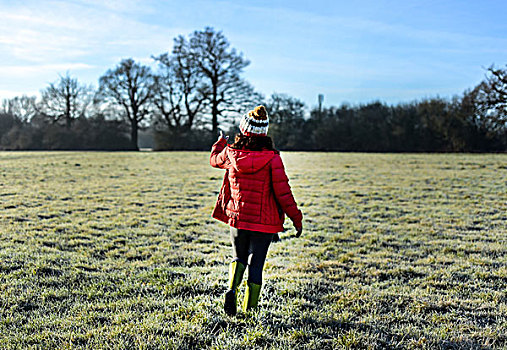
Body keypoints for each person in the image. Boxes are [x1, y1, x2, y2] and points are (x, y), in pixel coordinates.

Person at [209, 105, 303, 316]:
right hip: (264, 221)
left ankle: (231, 289)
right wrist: (296, 219)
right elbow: (284, 193)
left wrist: (219, 144)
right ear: (265, 133)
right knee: (256, 263)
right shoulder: (273, 158)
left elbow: (214, 161)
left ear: (243, 129)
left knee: (238, 257)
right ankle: (249, 311)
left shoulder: (230, 153)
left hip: (238, 216)